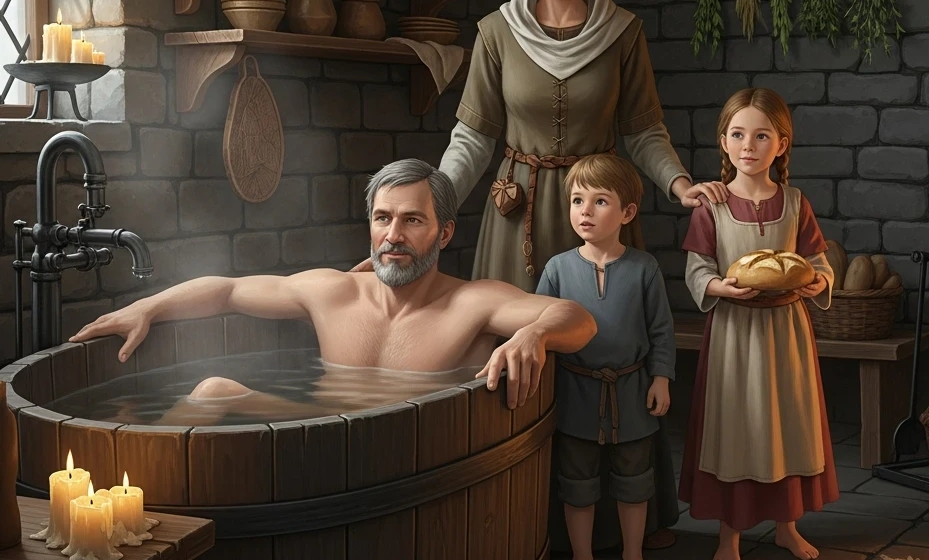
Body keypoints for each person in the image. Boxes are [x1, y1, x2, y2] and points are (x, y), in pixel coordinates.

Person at [433, 0, 728, 551]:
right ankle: (514, 525)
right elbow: (473, 137)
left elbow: (643, 128)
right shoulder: (496, 33)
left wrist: (678, 182)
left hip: (593, 211)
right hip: (518, 219)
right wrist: (434, 205)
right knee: (512, 355)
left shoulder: (622, 33)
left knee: (603, 354)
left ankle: (611, 535)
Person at [70, 160, 597, 413]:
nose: (393, 236)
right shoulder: (334, 292)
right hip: (318, 433)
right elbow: (228, 290)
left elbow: (577, 318)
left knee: (214, 392)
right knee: (212, 391)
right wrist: (148, 308)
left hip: (415, 448)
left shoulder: (472, 300)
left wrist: (534, 336)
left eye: (413, 221)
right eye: (383, 218)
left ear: (445, 231)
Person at [679, 88, 840, 560]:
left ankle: (787, 527)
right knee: (737, 426)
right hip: (734, 335)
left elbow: (817, 261)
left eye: (761, 135)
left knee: (786, 423)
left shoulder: (794, 202)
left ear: (781, 144)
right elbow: (696, 267)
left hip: (786, 333)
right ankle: (730, 533)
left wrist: (817, 280)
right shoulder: (712, 205)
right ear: (724, 143)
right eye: (738, 134)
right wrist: (718, 288)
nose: (748, 145)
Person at [536, 154, 676, 560]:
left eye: (600, 201)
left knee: (635, 480)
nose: (585, 211)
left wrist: (660, 378)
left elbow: (661, 330)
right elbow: (537, 326)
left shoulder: (644, 268)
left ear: (627, 212)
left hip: (632, 392)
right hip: (576, 393)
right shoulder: (557, 269)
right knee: (577, 482)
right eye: (578, 200)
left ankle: (632, 557)